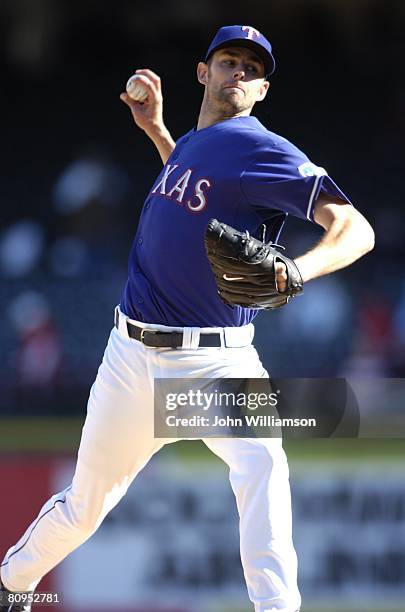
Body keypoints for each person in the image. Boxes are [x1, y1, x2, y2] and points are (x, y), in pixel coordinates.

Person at [0, 25, 374, 612]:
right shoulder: (198, 144)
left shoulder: (261, 148)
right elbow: (196, 194)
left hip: (213, 362)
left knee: (262, 464)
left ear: (263, 90)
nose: (239, 73)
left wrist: (297, 270)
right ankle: (13, 585)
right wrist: (157, 132)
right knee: (85, 506)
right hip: (129, 356)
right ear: (204, 73)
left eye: (252, 68)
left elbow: (356, 229)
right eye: (229, 61)